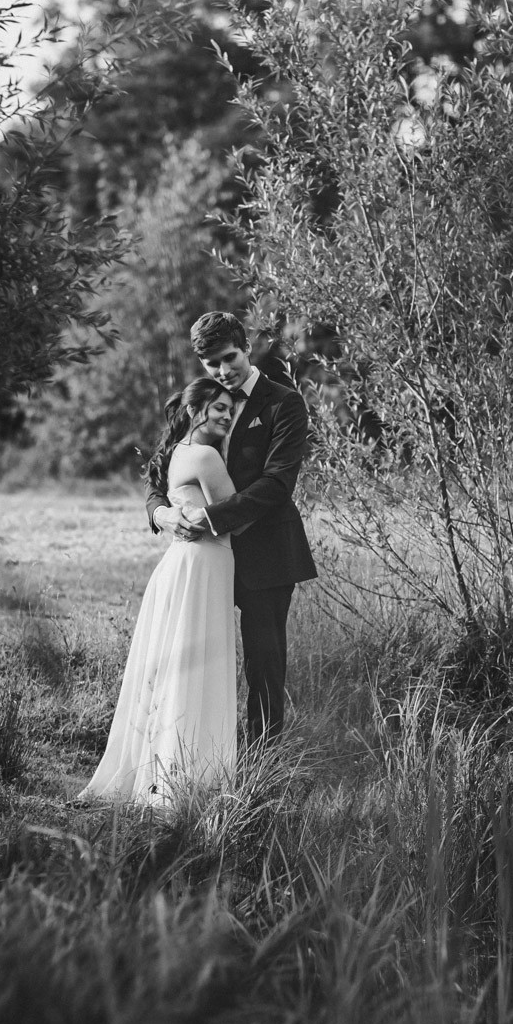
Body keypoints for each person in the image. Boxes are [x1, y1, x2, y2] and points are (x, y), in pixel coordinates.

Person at [148, 311, 317, 745]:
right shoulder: (199, 399)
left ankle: (260, 772)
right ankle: (193, 759)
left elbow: (277, 484)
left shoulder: (284, 402)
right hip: (203, 565)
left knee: (263, 667)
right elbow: (161, 471)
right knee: (198, 664)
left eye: (230, 357)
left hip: (266, 558)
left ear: (246, 347)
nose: (223, 371)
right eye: (211, 364)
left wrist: (209, 520)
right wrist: (161, 514)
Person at [79, 379, 238, 808]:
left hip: (181, 565)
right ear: (195, 409)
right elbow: (236, 516)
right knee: (196, 669)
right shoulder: (205, 456)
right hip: (202, 565)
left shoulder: (174, 453)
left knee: (174, 668)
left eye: (229, 409)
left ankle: (160, 773)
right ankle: (184, 781)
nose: (226, 415)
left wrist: (172, 513)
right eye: (218, 408)